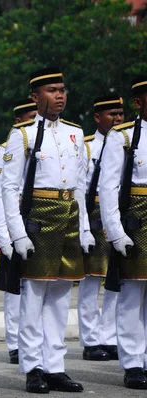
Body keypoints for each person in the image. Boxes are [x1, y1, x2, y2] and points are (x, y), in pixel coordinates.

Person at [2, 67, 90, 393]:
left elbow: (79, 183)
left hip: (68, 214)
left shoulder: (75, 132)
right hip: (38, 215)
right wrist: (17, 233)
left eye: (62, 89)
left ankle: (55, 365)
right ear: (35, 97)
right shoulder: (22, 135)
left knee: (61, 296)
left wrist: (84, 230)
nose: (60, 95)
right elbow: (9, 189)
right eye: (52, 90)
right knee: (34, 297)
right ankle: (33, 367)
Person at [99, 75, 147, 390]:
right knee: (132, 296)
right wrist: (115, 231)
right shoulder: (124, 136)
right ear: (138, 102)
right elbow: (108, 186)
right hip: (137, 220)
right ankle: (132, 362)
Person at [78, 95, 124, 362]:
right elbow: (80, 191)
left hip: (119, 215)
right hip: (94, 216)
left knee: (116, 282)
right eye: (112, 115)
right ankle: (91, 339)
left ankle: (109, 336)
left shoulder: (128, 144)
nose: (118, 119)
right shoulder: (86, 147)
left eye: (120, 114)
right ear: (97, 118)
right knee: (91, 282)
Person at [0, 99, 38, 365]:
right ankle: (14, 343)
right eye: (29, 118)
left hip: (37, 220)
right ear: (18, 121)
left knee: (35, 289)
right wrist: (4, 235)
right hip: (13, 224)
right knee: (15, 291)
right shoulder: (5, 149)